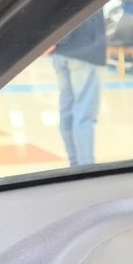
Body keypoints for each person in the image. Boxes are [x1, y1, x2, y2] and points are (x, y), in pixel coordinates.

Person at [50, 10, 107, 167]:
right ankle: (86, 167)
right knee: (84, 113)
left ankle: (75, 164)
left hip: (61, 53)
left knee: (67, 110)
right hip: (85, 50)